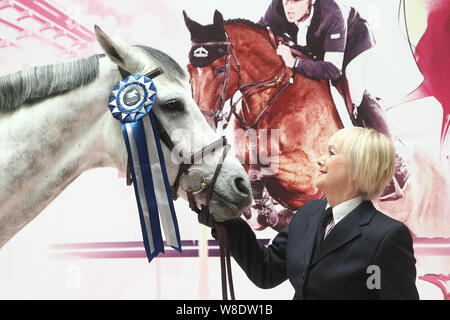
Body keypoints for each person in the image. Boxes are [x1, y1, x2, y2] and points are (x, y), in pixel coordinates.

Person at [203, 127, 419, 299]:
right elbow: (266, 270)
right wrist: (224, 219)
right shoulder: (308, 214)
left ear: (359, 168)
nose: (320, 159)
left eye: (332, 153)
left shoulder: (387, 237)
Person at [259, 0, 409, 200]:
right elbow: (257, 37)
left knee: (356, 94)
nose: (289, 6)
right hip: (319, 49)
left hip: (354, 44)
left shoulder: (332, 13)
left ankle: (394, 162)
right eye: (286, 0)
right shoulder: (276, 9)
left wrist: (294, 62)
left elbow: (332, 69)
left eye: (296, 1)